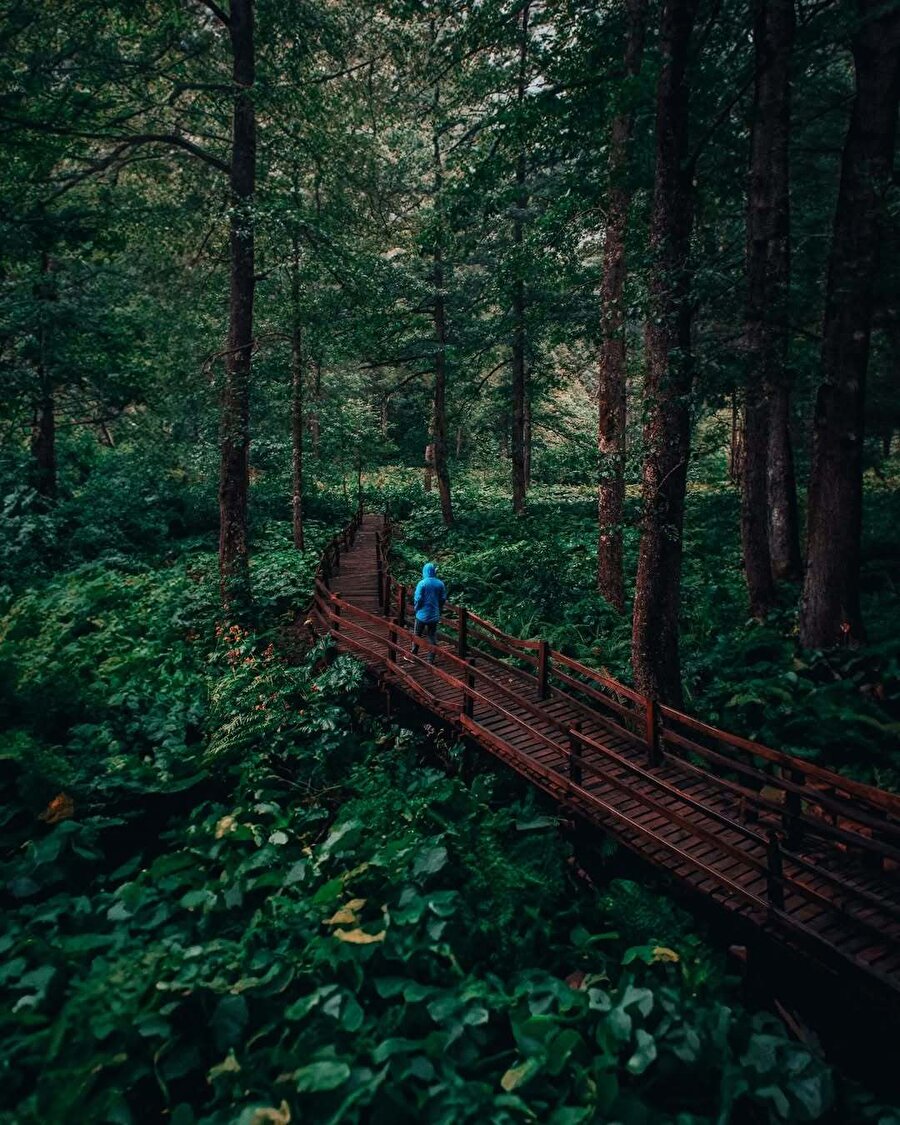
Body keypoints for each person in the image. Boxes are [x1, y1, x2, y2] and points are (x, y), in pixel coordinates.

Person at [411, 562, 446, 664]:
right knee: (432, 636)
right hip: (434, 615)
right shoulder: (440, 584)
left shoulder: (422, 583)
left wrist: (416, 608)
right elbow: (443, 599)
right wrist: (438, 608)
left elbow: (418, 598)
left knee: (417, 635)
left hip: (421, 614)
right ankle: (430, 659)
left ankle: (413, 655)